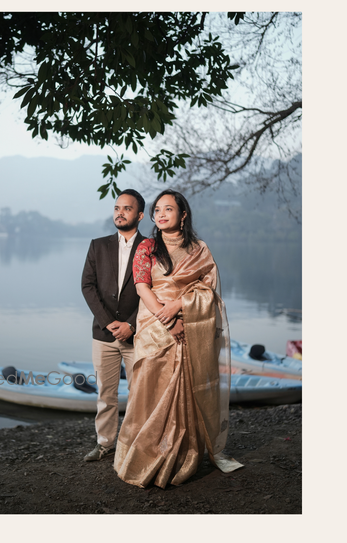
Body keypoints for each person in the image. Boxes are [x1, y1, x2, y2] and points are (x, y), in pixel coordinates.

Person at [114, 189, 243, 488]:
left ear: (183, 215)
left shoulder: (199, 249)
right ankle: (146, 455)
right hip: (154, 327)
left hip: (191, 325)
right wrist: (168, 319)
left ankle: (183, 453)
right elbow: (142, 287)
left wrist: (179, 306)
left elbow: (208, 290)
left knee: (187, 390)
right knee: (150, 391)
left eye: (168, 209)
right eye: (157, 209)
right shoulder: (147, 247)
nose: (161, 214)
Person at [81, 189, 146, 462]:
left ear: (140, 215)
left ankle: (135, 444)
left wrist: (131, 324)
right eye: (117, 208)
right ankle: (105, 443)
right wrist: (109, 323)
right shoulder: (98, 245)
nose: (120, 212)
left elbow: (156, 291)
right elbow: (87, 286)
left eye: (127, 208)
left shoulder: (150, 247)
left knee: (139, 394)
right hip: (103, 335)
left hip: (138, 335)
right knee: (106, 394)